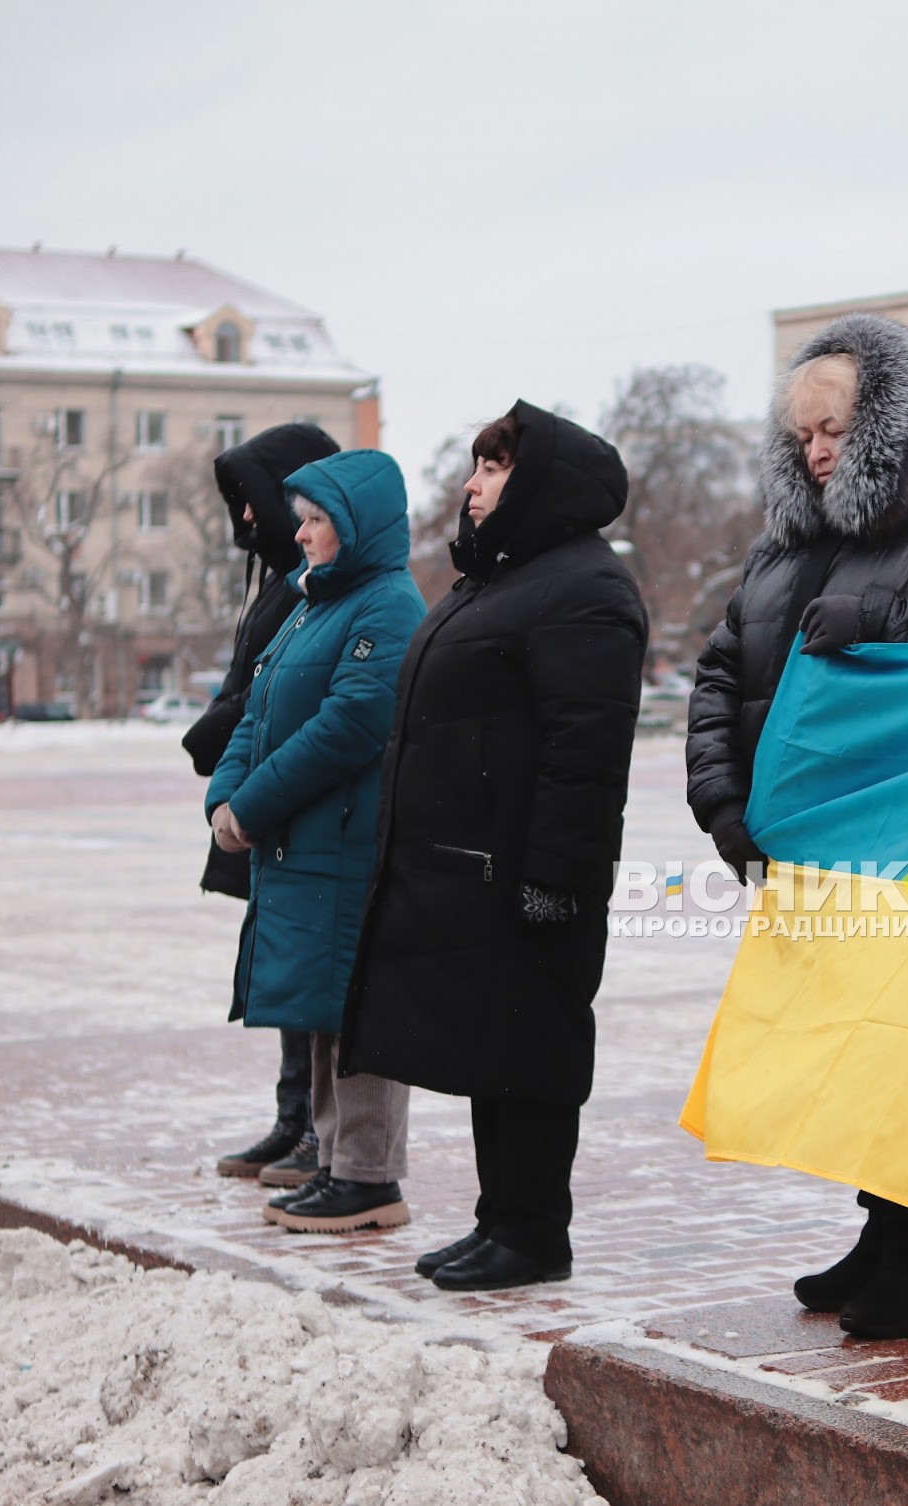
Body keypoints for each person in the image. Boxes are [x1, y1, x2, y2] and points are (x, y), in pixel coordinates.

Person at [687, 313, 908, 1339]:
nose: (815, 451)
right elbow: (722, 672)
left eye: (835, 429)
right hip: (805, 846)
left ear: (889, 428)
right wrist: (723, 801)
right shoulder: (779, 550)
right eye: (801, 433)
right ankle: (879, 1234)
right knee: (851, 1051)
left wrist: (887, 623)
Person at [341, 402, 647, 1293]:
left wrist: (555, 880)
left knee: (534, 1049)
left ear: (539, 481)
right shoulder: (503, 580)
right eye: (474, 468)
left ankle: (534, 1232)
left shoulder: (585, 589)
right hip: (475, 868)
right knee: (494, 1047)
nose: (472, 487)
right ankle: (499, 1221)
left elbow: (584, 756)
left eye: (492, 469)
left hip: (532, 872)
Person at [204, 448, 424, 1233]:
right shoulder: (316, 603)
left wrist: (252, 807)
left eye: (316, 521)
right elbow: (257, 712)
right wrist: (223, 797)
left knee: (354, 1009)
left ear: (357, 526)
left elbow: (349, 727)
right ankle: (336, 1162)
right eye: (301, 520)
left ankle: (369, 1178)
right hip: (306, 846)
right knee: (324, 1010)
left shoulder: (387, 606)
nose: (300, 536)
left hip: (346, 845)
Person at [183, 423, 341, 1187]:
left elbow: (287, 699)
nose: (246, 519)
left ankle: (318, 1127)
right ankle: (293, 1119)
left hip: (297, 810)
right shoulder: (282, 581)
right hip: (264, 802)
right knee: (279, 967)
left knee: (305, 973)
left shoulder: (319, 589)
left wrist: (218, 729)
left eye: (255, 502)